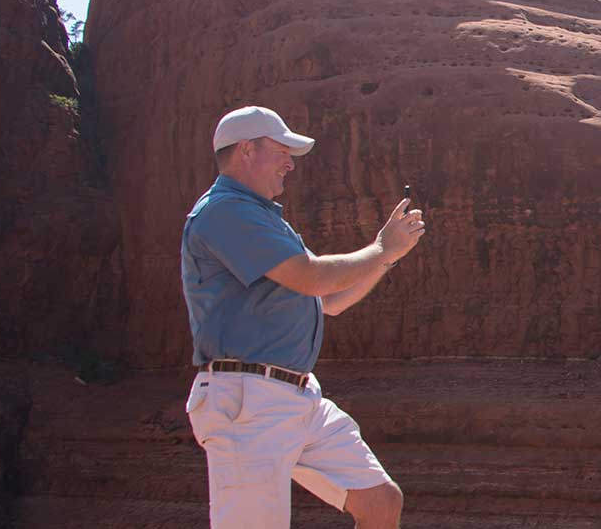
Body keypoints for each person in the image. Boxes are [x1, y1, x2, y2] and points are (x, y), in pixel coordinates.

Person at [180, 106, 424, 528]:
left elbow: (331, 301)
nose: (289, 164)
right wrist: (381, 248)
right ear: (246, 151)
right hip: (248, 402)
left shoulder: (262, 220)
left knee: (380, 503)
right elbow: (311, 277)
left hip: (296, 395)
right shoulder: (224, 212)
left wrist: (387, 258)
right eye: (281, 151)